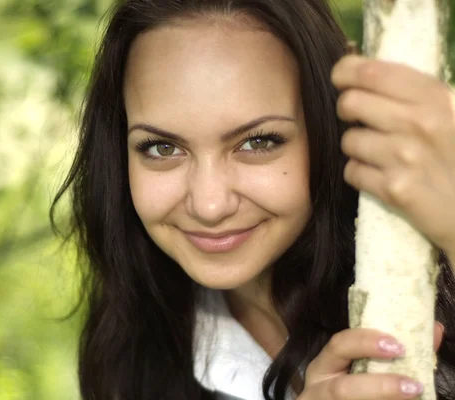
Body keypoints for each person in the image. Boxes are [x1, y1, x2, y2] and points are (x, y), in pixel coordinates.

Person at [50, 0, 455, 399]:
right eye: (161, 148)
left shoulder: (431, 253)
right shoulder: (131, 351)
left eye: (258, 142)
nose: (210, 205)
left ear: (326, 130)